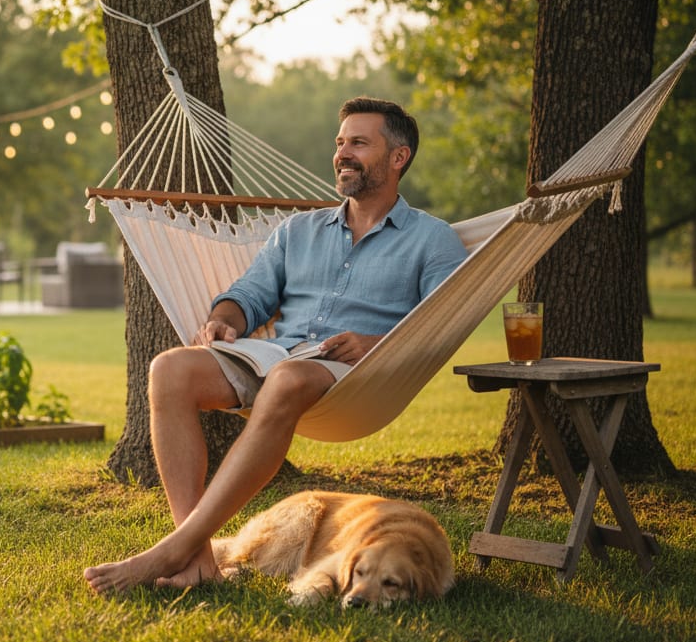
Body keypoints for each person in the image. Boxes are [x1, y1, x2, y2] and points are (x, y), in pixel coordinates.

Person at [83, 97, 468, 594]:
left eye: (358, 143)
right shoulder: (298, 231)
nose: (342, 154)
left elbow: (442, 324)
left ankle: (174, 548)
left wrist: (376, 343)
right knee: (168, 369)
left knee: (286, 377)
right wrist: (225, 319)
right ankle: (198, 557)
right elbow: (249, 294)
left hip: (359, 370)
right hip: (280, 354)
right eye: (340, 143)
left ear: (398, 157)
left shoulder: (433, 241)